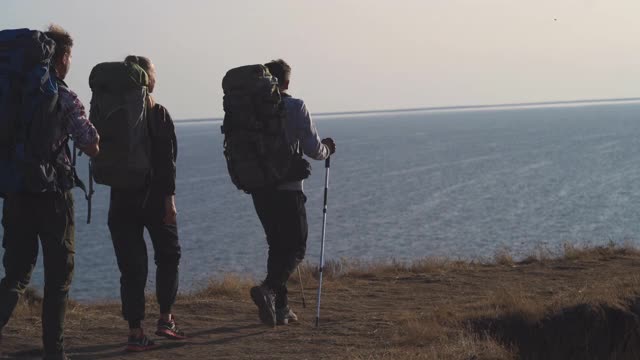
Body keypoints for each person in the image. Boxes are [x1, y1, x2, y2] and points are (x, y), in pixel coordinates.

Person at [0, 25, 100, 360]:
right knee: (59, 277)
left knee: (15, 275)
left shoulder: (12, 91)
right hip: (54, 196)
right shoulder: (62, 94)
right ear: (62, 57)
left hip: (15, 191)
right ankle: (53, 352)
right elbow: (89, 143)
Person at [106, 55, 184, 351]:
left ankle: (135, 332)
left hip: (119, 199)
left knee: (131, 267)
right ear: (146, 78)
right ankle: (166, 318)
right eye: (154, 72)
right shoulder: (158, 113)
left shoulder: (111, 112)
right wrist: (169, 201)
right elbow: (167, 164)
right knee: (168, 255)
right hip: (153, 198)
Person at [250, 59, 336, 326]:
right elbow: (313, 149)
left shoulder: (250, 110)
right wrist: (327, 149)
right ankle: (269, 289)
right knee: (296, 247)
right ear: (286, 82)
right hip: (288, 188)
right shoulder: (295, 106)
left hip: (259, 188)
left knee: (277, 245)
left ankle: (281, 309)